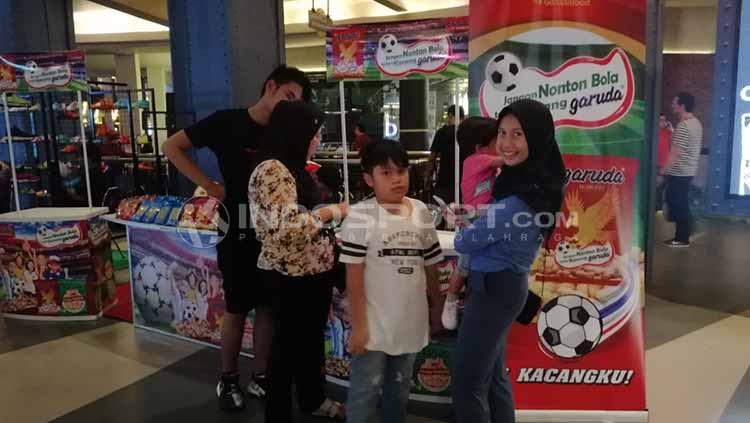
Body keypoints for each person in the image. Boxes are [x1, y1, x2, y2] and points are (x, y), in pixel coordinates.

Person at [163, 65, 311, 411]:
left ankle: (261, 376)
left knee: (267, 307)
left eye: (297, 102)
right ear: (270, 87)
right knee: (237, 306)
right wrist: (210, 186)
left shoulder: (284, 133)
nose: (290, 105)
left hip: (272, 230)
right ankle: (228, 378)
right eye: (288, 96)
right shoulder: (226, 122)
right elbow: (172, 146)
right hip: (235, 228)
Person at [451, 99, 565, 423]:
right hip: (503, 286)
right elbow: (492, 225)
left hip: (494, 289)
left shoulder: (518, 200)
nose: (506, 142)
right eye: (502, 132)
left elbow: (465, 241)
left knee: (467, 382)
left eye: (518, 134)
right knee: (494, 377)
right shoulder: (528, 186)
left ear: (537, 138)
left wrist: (468, 224)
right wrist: (477, 218)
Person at [248, 100, 350, 422]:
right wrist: (332, 212)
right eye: (314, 134)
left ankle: (312, 398)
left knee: (309, 345)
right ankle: (279, 414)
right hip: (290, 276)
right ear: (295, 133)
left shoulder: (293, 166)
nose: (317, 140)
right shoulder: (273, 169)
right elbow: (287, 230)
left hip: (310, 273)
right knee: (286, 352)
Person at [340, 139, 443, 423]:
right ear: (368, 179)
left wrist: (436, 308)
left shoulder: (420, 211)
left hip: (410, 323)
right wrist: (359, 328)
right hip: (373, 328)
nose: (397, 179)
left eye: (402, 171)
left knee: (398, 393)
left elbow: (431, 265)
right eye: (386, 173)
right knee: (364, 396)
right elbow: (354, 276)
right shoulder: (361, 216)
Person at [442, 116, 502, 330]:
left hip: (481, 218)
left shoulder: (480, 161)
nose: (502, 145)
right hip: (475, 219)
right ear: (479, 147)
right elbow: (505, 160)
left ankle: (464, 302)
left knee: (475, 265)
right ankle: (450, 300)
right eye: (498, 140)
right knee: (465, 265)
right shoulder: (478, 160)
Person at [662, 92, 703, 247]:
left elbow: (675, 152)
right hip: (688, 170)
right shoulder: (696, 123)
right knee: (679, 202)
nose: (672, 105)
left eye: (674, 103)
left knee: (678, 203)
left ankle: (682, 238)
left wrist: (664, 170)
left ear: (682, 106)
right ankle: (686, 230)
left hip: (679, 172)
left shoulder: (684, 126)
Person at [427, 105, 466, 203]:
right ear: (462, 117)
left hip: (444, 181)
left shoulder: (442, 132)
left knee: (440, 208)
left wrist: (428, 176)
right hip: (464, 181)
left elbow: (432, 158)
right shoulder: (467, 132)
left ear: (450, 115)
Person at [656, 114, 672, 212]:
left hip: (664, 166)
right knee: (656, 191)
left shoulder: (668, 132)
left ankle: (658, 212)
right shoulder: (654, 132)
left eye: (664, 120)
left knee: (661, 191)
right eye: (660, 120)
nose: (662, 122)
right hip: (655, 165)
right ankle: (656, 211)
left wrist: (671, 128)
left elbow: (675, 143)